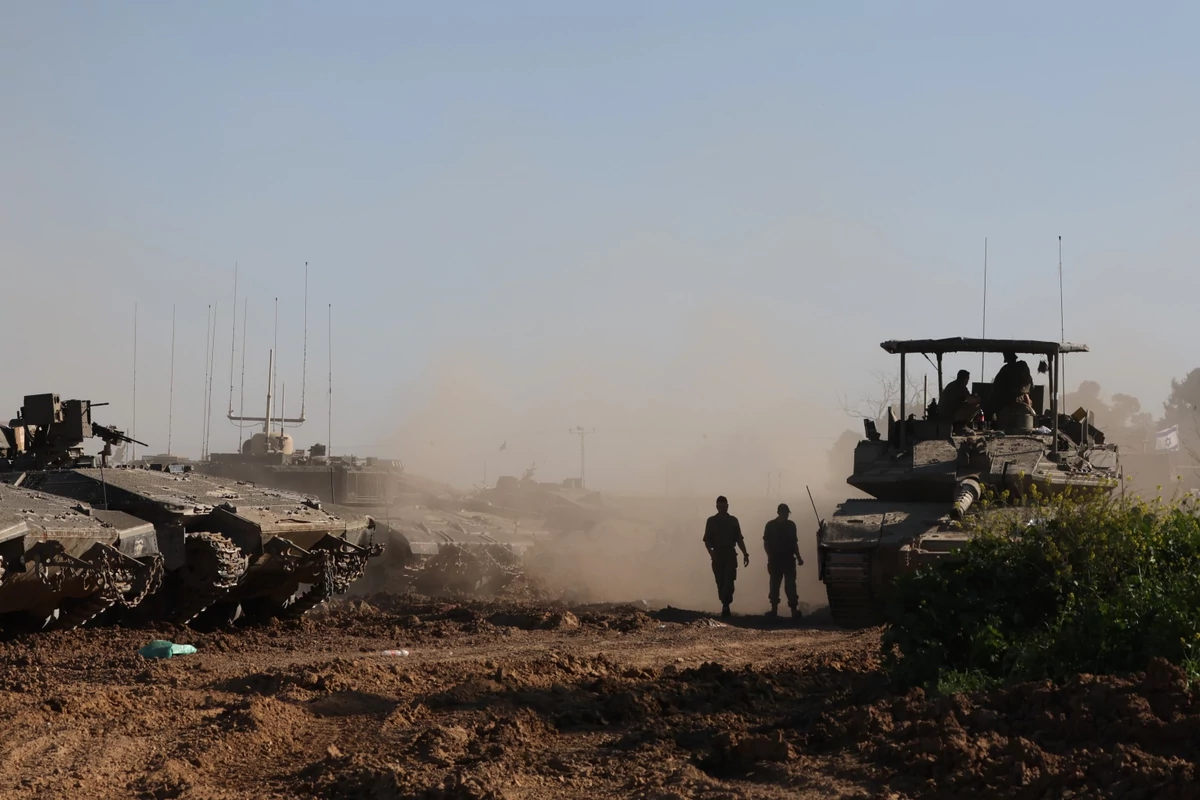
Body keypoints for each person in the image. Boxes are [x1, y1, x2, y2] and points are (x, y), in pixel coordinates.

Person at [703, 495, 749, 618]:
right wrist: (711, 552)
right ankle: (724, 602)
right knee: (720, 580)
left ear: (727, 506)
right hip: (717, 554)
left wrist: (745, 553)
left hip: (730, 553)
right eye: (720, 506)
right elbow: (707, 540)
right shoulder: (711, 521)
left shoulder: (733, 521)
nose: (723, 509)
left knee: (729, 579)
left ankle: (726, 605)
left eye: (725, 506)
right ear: (717, 507)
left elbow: (739, 539)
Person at [763, 503, 803, 619]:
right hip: (775, 559)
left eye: (787, 513)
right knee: (774, 585)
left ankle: (794, 610)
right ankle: (774, 610)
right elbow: (766, 543)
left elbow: (794, 543)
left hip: (788, 559)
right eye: (784, 513)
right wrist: (769, 557)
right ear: (779, 513)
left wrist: (799, 557)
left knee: (790, 585)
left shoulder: (791, 525)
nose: (786, 515)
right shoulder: (770, 525)